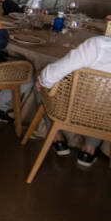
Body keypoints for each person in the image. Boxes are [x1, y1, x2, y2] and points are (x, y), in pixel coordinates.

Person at [39, 36, 111, 167]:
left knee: (41, 82)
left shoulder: (99, 45)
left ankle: (56, 137)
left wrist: (41, 80)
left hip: (71, 111)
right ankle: (89, 149)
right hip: (108, 120)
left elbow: (49, 76)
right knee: (105, 104)